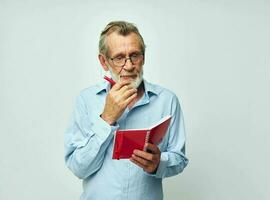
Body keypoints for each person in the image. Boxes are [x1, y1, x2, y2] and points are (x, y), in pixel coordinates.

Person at [64, 21, 188, 200]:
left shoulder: (167, 100)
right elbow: (79, 168)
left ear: (143, 58)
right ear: (104, 61)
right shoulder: (86, 100)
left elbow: (179, 159)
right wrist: (106, 118)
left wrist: (158, 163)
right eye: (119, 58)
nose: (129, 66)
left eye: (135, 55)